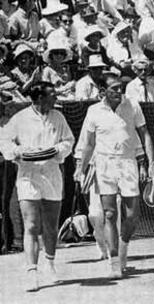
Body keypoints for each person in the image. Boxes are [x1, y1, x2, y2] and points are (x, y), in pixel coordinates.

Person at [74, 73, 154, 278]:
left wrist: (149, 162)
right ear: (102, 92)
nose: (120, 91)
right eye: (115, 88)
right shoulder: (93, 111)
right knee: (109, 214)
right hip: (104, 165)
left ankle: (124, 247)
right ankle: (114, 260)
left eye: (121, 87)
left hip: (128, 163)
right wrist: (81, 169)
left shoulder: (132, 105)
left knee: (132, 215)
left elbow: (144, 134)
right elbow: (89, 143)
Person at [0, 82, 75, 291]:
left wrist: (56, 150)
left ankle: (49, 265)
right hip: (28, 176)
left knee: (50, 226)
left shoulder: (58, 117)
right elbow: (5, 141)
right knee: (31, 225)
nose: (56, 97)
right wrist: (18, 152)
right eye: (52, 94)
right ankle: (31, 271)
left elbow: (68, 140)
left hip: (52, 174)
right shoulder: (20, 118)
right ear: (39, 97)